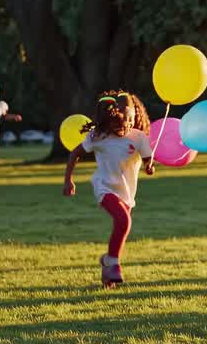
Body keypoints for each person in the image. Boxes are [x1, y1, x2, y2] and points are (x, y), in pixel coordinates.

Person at [63, 90, 155, 288]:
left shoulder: (139, 137)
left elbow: (148, 159)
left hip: (127, 192)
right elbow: (74, 154)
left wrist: (149, 166)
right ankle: (113, 263)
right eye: (120, 123)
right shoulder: (98, 137)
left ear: (135, 116)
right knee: (123, 220)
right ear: (111, 118)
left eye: (131, 120)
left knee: (121, 227)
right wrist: (68, 180)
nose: (126, 126)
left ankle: (107, 268)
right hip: (105, 187)